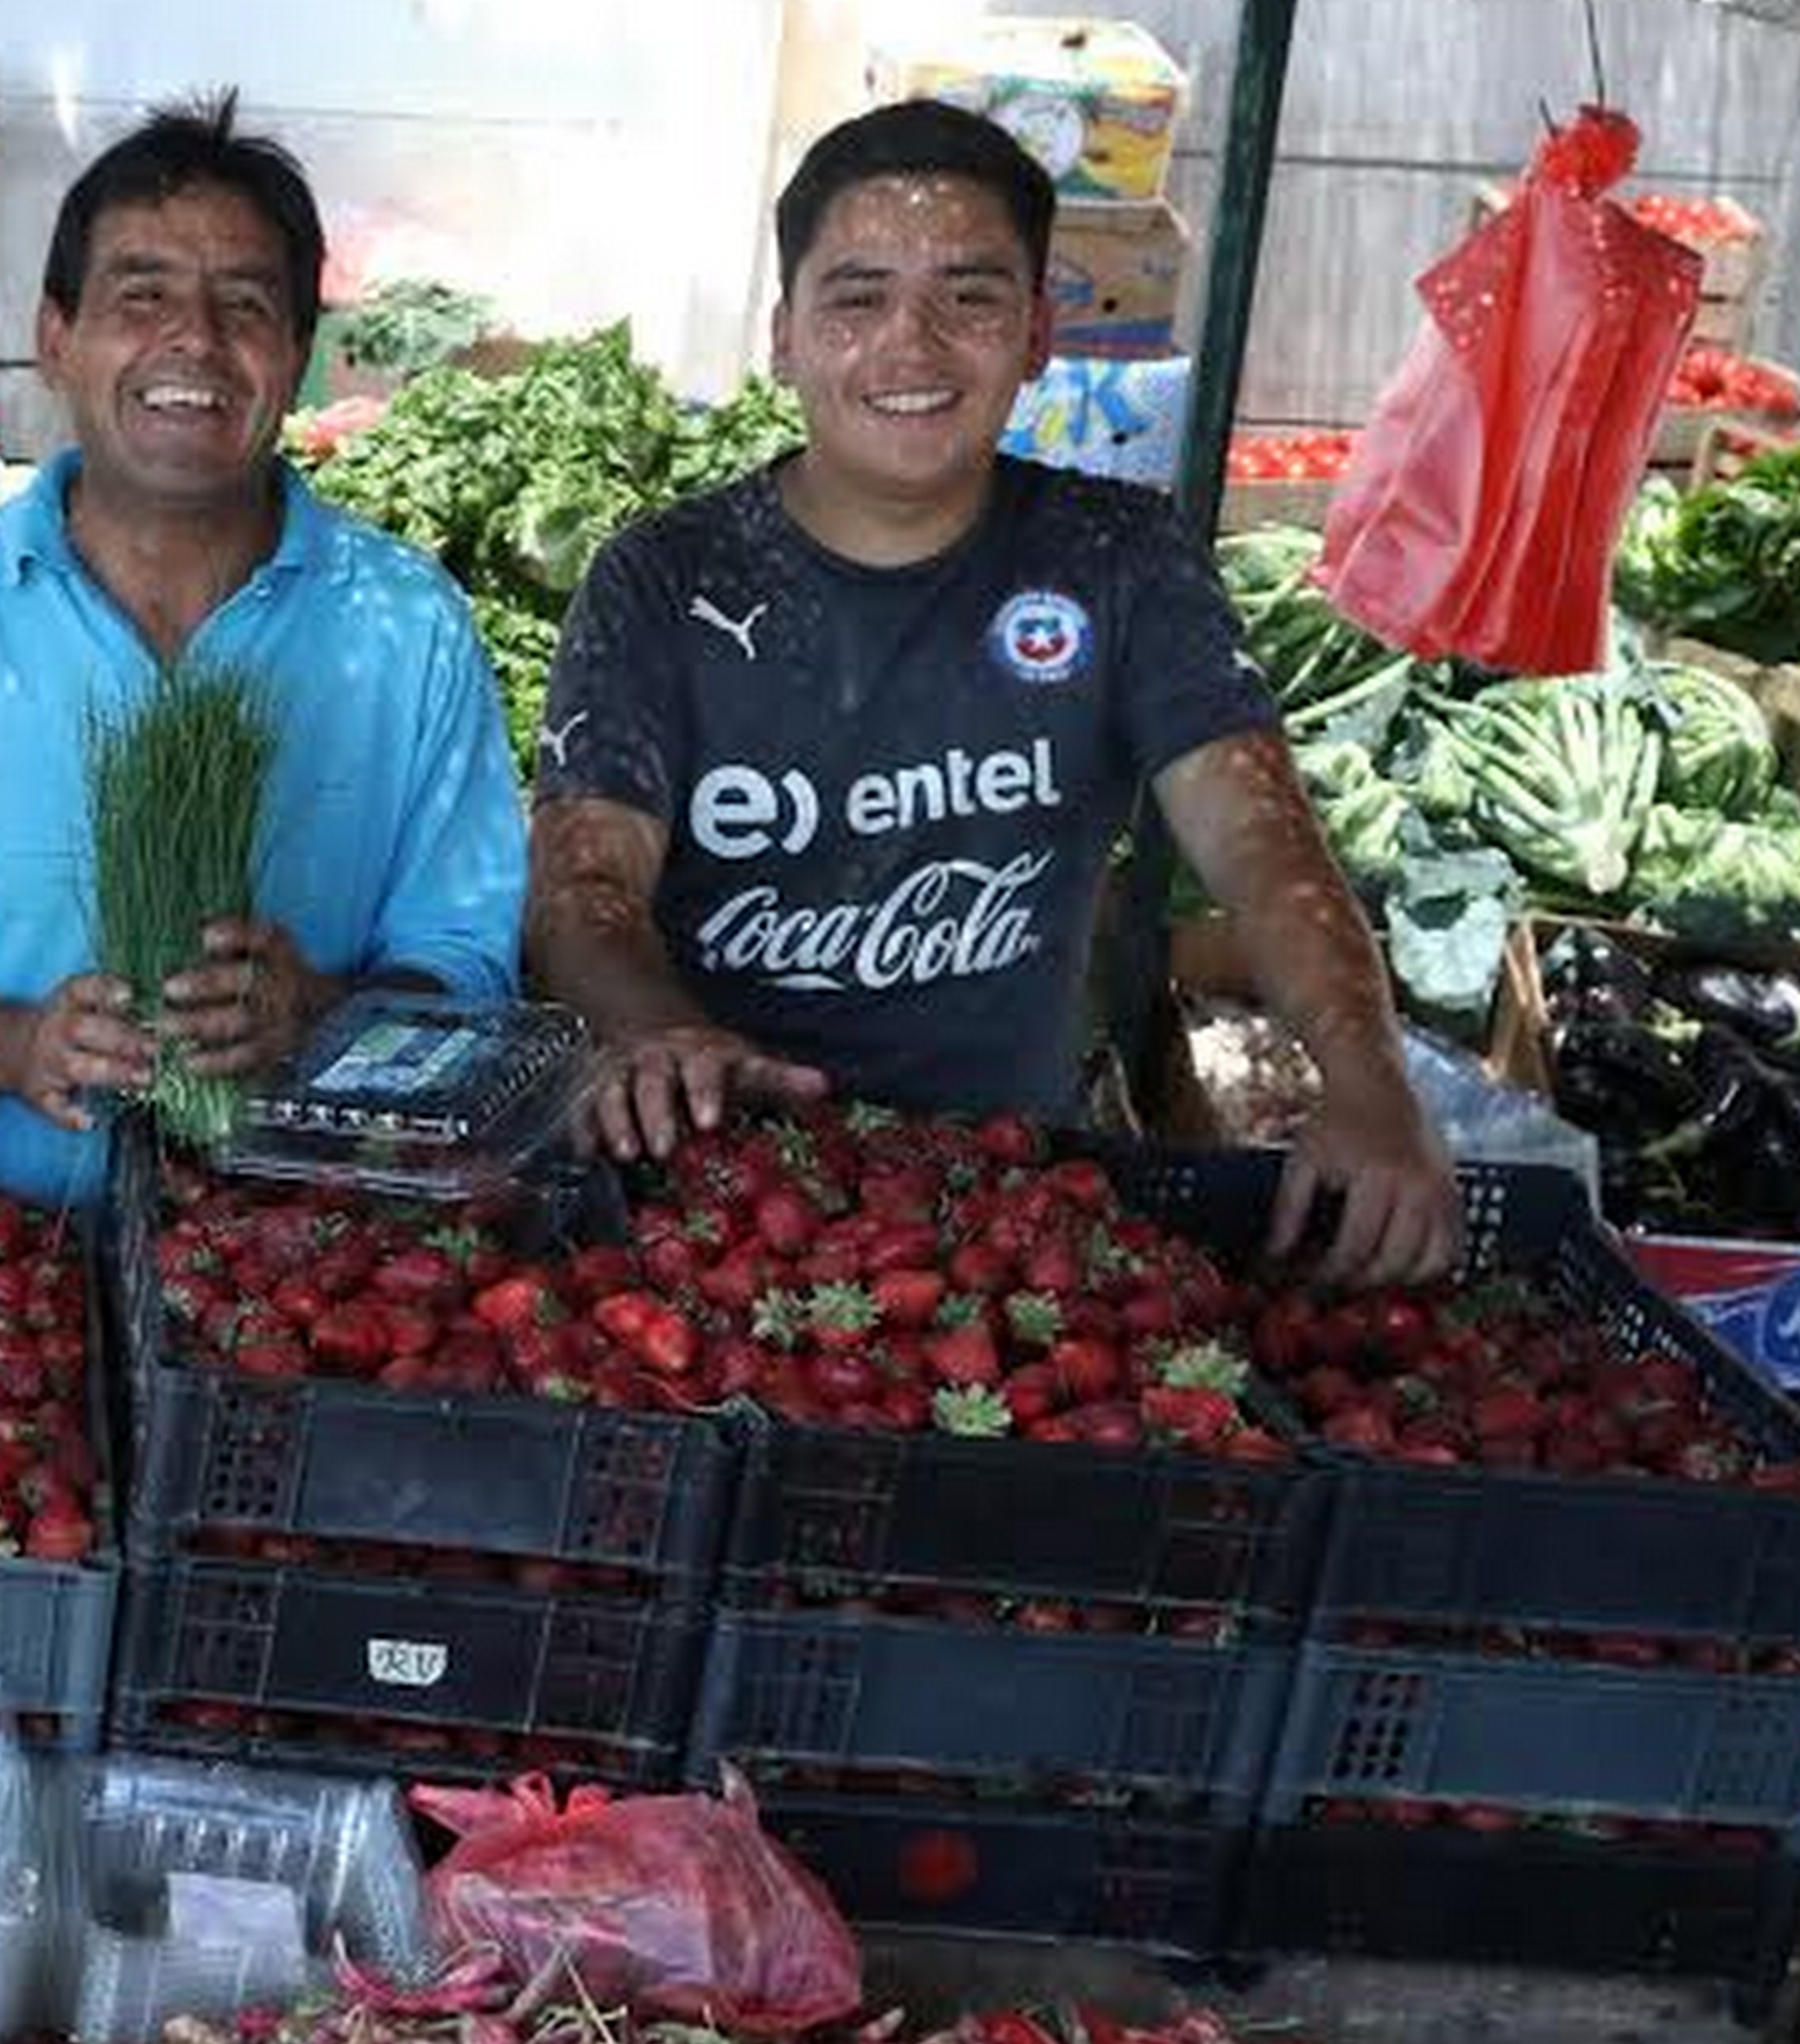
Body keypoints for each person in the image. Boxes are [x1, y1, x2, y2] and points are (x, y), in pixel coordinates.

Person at [528, 98, 1456, 1283]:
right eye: (857, 298)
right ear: (783, 336)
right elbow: (580, 881)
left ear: (1035, 334)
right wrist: (662, 1028)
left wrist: (1371, 1081)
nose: (910, 347)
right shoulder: (667, 576)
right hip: (710, 1199)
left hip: (1009, 1207)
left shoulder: (1118, 559)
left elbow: (1260, 840)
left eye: (968, 298)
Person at [0, 97, 527, 1206]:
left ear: (297, 356)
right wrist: (7, 1045)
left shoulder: (408, 625)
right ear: (54, 338)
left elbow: (472, 970)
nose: (193, 339)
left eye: (243, 304)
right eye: (140, 294)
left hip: (293, 1280)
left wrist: (323, 1015)